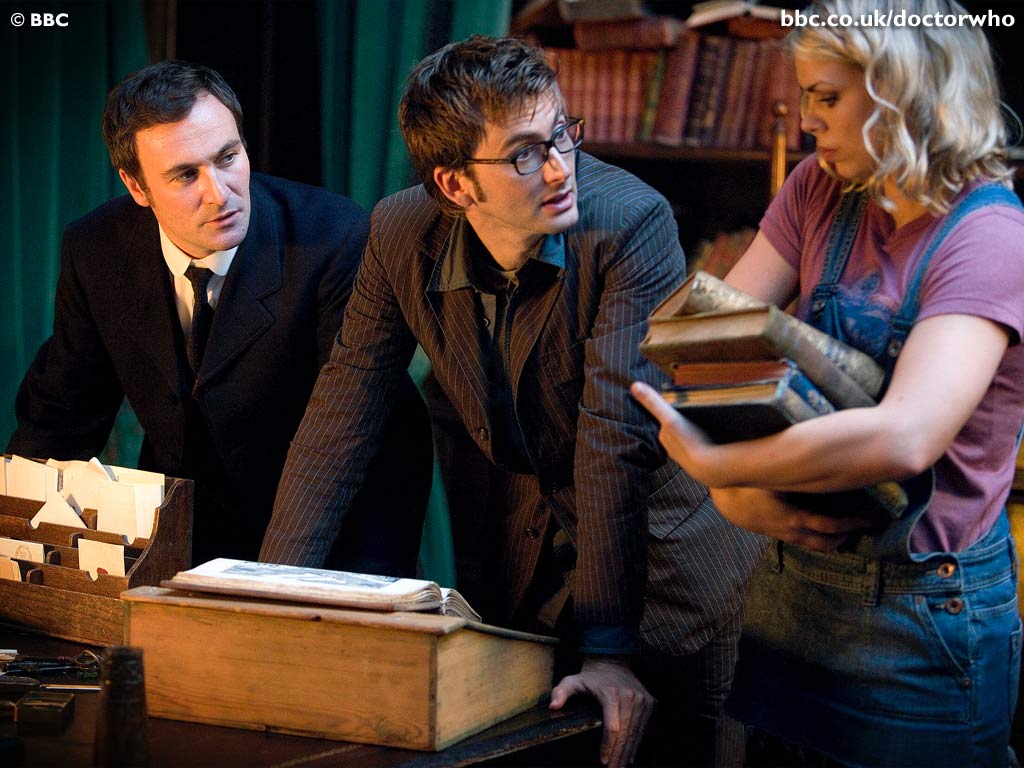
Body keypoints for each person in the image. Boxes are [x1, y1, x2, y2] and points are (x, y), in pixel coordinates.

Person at [260, 36, 764, 768]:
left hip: (664, 554)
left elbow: (612, 440)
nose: (561, 168)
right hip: (528, 548)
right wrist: (272, 590)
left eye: (562, 133)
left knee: (675, 748)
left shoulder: (632, 221)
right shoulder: (399, 232)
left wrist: (610, 650)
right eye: (526, 153)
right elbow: (342, 413)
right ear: (455, 185)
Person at [632, 1, 1024, 764]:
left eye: (827, 97)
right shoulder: (817, 187)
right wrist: (734, 499)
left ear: (905, 92)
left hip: (921, 615)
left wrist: (721, 469)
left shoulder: (991, 235)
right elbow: (703, 349)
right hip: (792, 590)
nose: (807, 120)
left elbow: (905, 437)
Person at [8, 60, 432, 573]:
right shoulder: (96, 248)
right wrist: (16, 553)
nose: (219, 192)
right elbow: (61, 415)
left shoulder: (335, 237)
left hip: (333, 532)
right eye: (186, 175)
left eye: (228, 157)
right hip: (183, 535)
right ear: (137, 187)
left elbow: (355, 435)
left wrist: (290, 583)